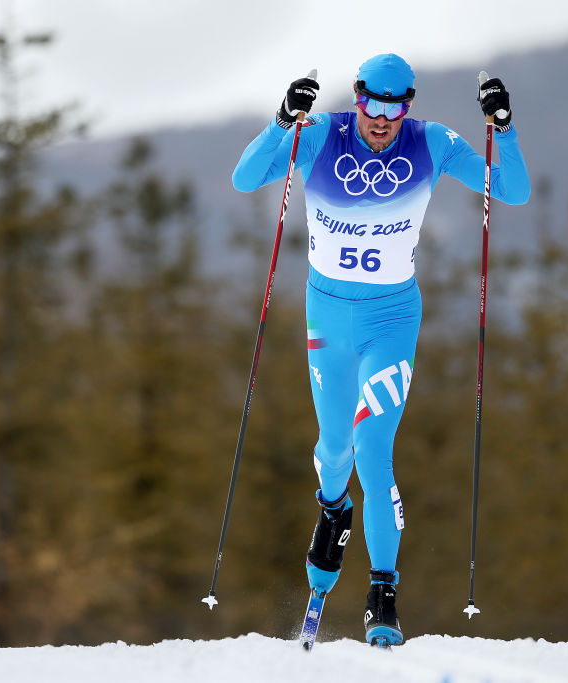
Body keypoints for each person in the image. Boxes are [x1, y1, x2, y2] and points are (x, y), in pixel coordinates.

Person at [231, 53, 530, 646]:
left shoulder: (433, 143)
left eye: (396, 107)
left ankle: (383, 592)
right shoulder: (321, 135)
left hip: (391, 319)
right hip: (327, 317)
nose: (382, 118)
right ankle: (333, 509)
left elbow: (512, 189)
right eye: (371, 103)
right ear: (358, 97)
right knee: (335, 448)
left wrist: (504, 127)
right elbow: (246, 178)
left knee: (374, 450)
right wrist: (282, 120)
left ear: (408, 105)